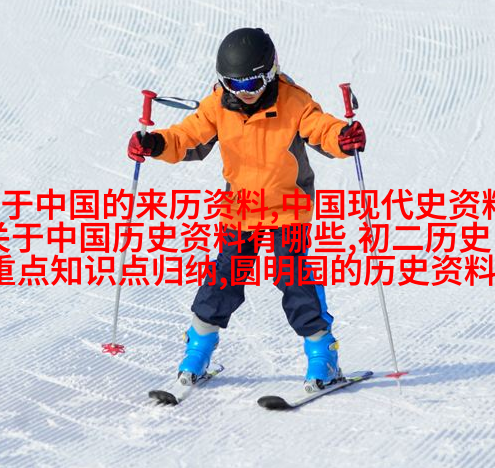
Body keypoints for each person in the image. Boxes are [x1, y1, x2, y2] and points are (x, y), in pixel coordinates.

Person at [127, 28, 366, 390]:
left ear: (270, 72)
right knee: (224, 278)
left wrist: (343, 139)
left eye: (252, 83)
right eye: (234, 84)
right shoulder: (218, 105)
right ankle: (198, 349)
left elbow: (322, 128)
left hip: (288, 207)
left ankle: (323, 355)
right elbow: (185, 137)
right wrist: (155, 143)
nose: (244, 92)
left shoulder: (294, 101)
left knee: (293, 276)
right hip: (241, 207)